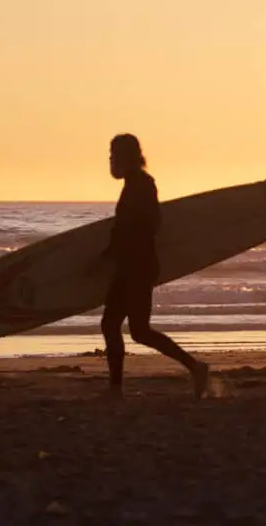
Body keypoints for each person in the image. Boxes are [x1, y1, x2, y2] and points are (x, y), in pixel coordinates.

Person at [99, 133, 209, 398]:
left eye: (114, 155)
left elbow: (147, 225)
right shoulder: (135, 183)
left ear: (127, 157)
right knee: (120, 326)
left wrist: (117, 249)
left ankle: (195, 367)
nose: (110, 160)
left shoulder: (142, 185)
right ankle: (117, 388)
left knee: (133, 329)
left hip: (137, 267)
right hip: (132, 265)